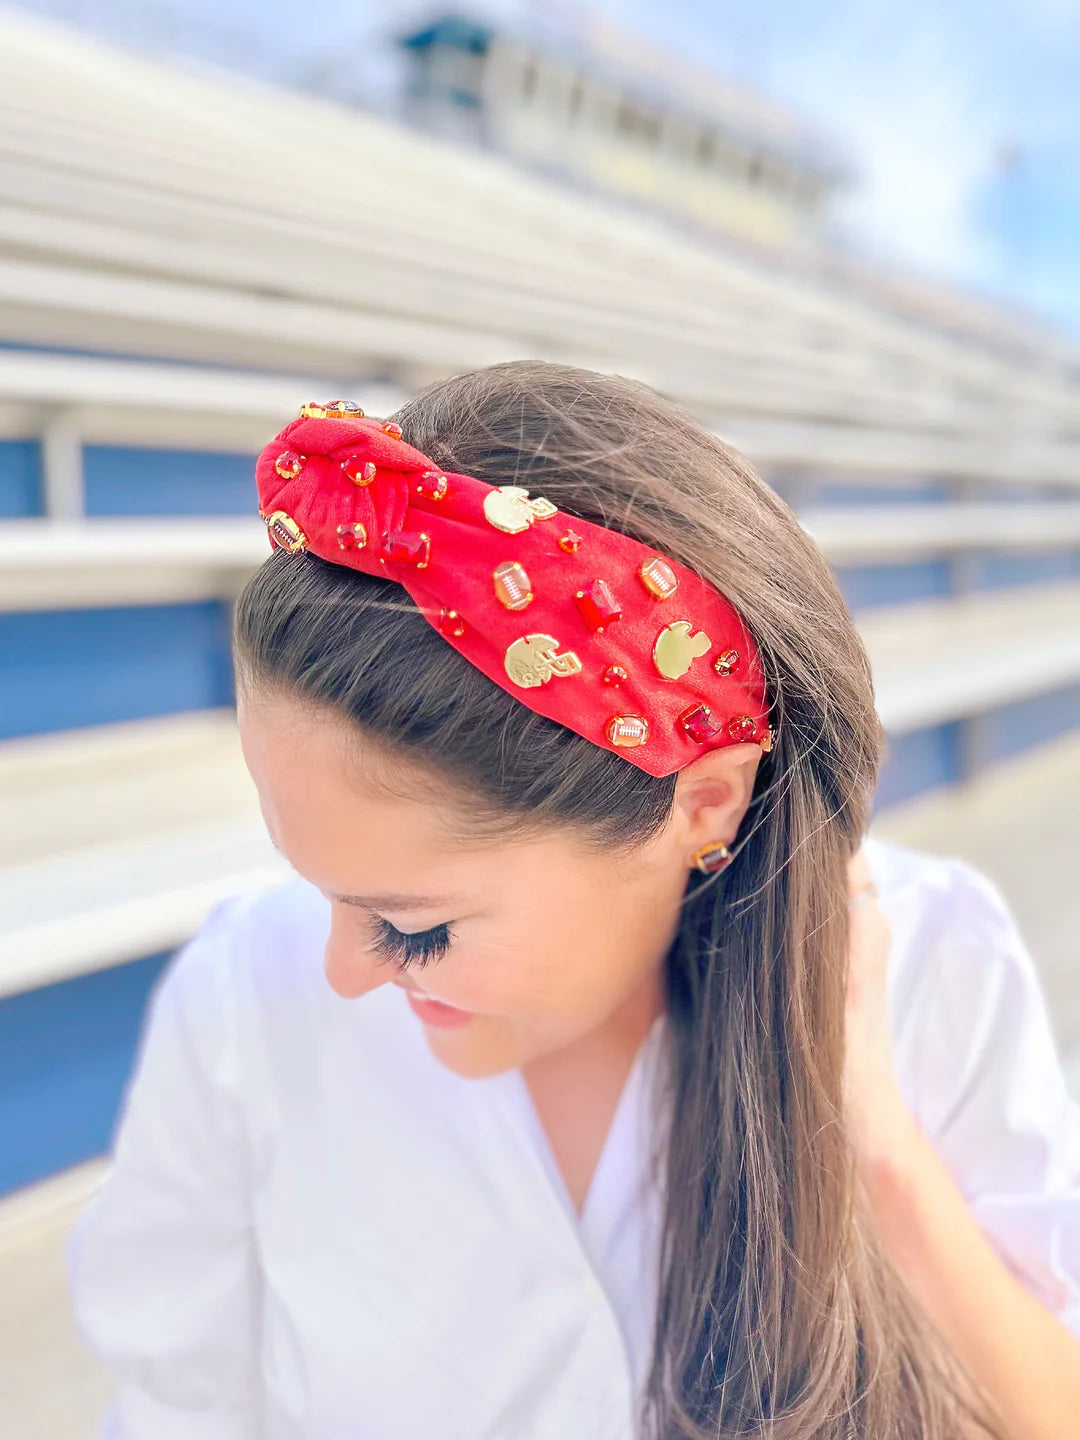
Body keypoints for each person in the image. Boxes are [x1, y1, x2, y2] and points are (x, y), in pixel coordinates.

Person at [66, 362, 1080, 1439]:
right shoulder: (243, 999)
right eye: (315, 885)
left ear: (706, 803)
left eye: (415, 927)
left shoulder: (938, 963)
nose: (340, 970)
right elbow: (175, 1407)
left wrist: (874, 1142)